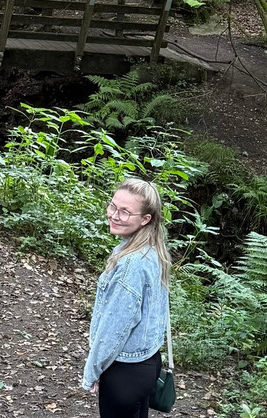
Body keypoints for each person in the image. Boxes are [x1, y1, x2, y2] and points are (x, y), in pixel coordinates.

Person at [82, 178, 171, 418]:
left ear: (145, 219)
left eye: (125, 212)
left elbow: (115, 328)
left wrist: (93, 370)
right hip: (148, 362)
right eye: (113, 206)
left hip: (125, 372)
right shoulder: (152, 250)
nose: (114, 215)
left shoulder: (131, 263)